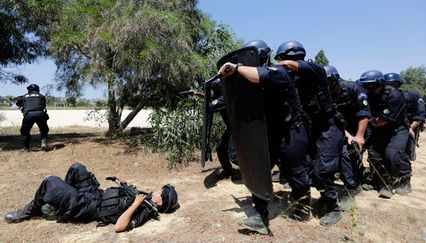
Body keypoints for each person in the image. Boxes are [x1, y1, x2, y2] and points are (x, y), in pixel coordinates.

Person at [219, 39, 311, 234]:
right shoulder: (248, 78)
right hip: (269, 132)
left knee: (296, 172)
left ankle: (303, 207)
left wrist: (235, 67)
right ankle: (260, 215)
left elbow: (260, 75)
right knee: (259, 169)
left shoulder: (280, 72)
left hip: (291, 132)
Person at [276, 41, 344, 226]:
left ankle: (332, 207)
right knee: (300, 167)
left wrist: (274, 67)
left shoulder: (315, 69)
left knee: (322, 170)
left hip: (328, 127)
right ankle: (304, 204)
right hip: (309, 128)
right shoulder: (293, 79)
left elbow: (292, 65)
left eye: (281, 59)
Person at [4, 163, 179, 232]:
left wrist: (136, 204)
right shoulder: (144, 196)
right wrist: (124, 184)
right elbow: (124, 196)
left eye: (160, 191)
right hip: (96, 194)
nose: (157, 189)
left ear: (160, 201)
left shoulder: (144, 210)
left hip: (89, 207)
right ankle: (60, 204)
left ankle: (29, 211)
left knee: (50, 182)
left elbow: (119, 227)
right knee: (77, 168)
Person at [324, 65, 371, 210]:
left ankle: (352, 187)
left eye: (328, 82)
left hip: (360, 128)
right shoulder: (324, 94)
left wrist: (359, 135)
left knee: (348, 153)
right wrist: (346, 134)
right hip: (342, 129)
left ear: (335, 80)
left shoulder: (353, 88)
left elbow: (364, 113)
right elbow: (330, 117)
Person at [358, 70, 410, 198]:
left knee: (392, 154)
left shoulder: (395, 96)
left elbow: (382, 120)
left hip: (397, 129)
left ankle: (403, 182)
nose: (369, 88)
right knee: (374, 155)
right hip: (379, 128)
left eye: (372, 85)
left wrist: (368, 120)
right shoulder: (369, 94)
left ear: (380, 83)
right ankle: (380, 182)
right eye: (366, 86)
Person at [384, 72, 426, 194]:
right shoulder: (386, 97)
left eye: (392, 85)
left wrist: (410, 128)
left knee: (405, 152)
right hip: (396, 127)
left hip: (412, 125)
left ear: (398, 84)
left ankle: (405, 181)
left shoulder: (411, 95)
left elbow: (420, 115)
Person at [16, 84, 49, 151]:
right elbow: (43, 105)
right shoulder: (42, 96)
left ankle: (25, 147)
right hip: (40, 114)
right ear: (38, 89)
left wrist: (19, 99)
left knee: (24, 131)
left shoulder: (24, 96)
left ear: (29, 90)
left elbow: (18, 104)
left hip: (28, 115)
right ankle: (43, 143)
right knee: (44, 129)